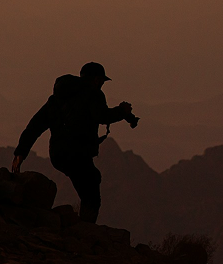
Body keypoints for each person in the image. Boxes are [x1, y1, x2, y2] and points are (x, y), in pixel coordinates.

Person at [11, 62, 137, 224]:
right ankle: (85, 229)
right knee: (91, 189)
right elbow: (102, 116)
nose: (102, 85)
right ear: (96, 79)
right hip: (78, 153)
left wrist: (20, 152)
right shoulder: (94, 94)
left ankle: (81, 225)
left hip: (58, 154)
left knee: (90, 181)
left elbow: (35, 126)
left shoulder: (55, 99)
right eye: (102, 81)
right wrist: (122, 111)